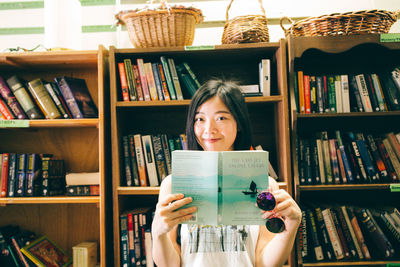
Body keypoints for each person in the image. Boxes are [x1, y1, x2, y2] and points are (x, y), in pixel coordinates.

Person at [151, 79, 302, 267]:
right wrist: (158, 233)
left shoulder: (265, 184)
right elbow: (170, 265)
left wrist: (293, 225)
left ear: (238, 123)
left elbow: (263, 263)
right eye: (200, 119)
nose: (209, 130)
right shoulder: (173, 184)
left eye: (221, 118)